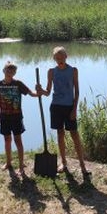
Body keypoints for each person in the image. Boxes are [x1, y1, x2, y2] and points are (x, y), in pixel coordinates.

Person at [36, 46, 89, 175]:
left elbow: (76, 91)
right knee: (60, 134)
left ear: (66, 57)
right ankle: (63, 163)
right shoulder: (51, 72)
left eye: (62, 57)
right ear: (54, 58)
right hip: (56, 107)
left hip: (69, 107)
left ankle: (82, 165)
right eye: (57, 58)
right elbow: (48, 92)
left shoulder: (73, 71)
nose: (59, 60)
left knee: (74, 135)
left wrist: (74, 109)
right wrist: (40, 90)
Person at [0, 60, 38, 176]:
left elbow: (31, 93)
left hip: (16, 117)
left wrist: (39, 92)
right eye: (8, 70)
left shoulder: (18, 84)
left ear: (15, 73)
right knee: (7, 140)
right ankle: (8, 163)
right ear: (3, 71)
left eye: (12, 71)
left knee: (18, 140)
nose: (10, 72)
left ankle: (21, 166)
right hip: (4, 116)